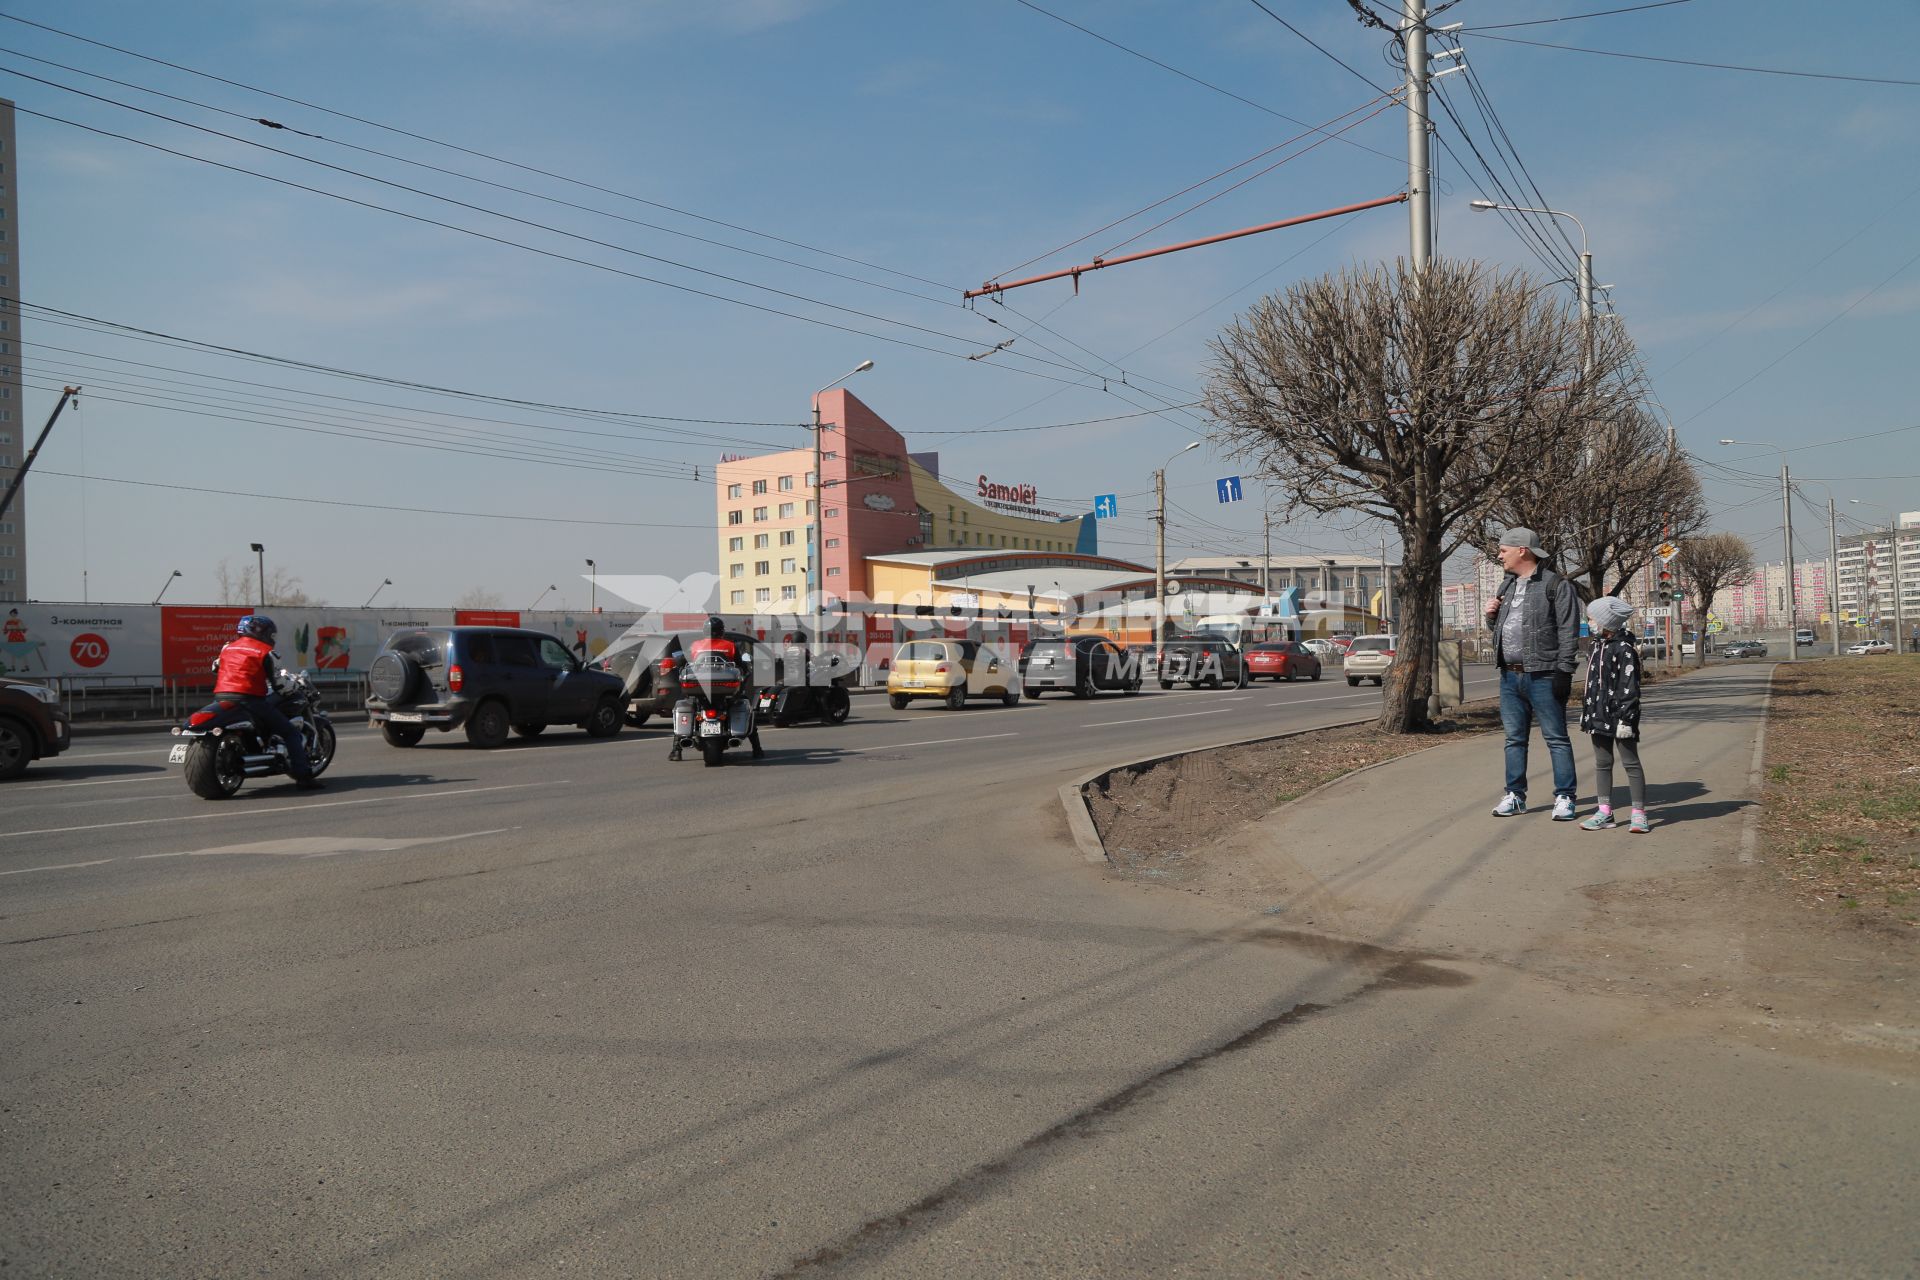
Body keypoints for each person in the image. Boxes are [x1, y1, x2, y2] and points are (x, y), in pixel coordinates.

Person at [1484, 526, 1581, 820]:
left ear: (1521, 550)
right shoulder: (1507, 586)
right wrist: (1491, 618)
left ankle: (1565, 796)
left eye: (1503, 550)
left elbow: (1568, 631)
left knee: (1556, 738)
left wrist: (1564, 672)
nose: (1500, 555)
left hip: (1544, 675)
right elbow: (1502, 631)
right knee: (1514, 738)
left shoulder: (1556, 585)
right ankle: (1515, 796)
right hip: (1509, 676)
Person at [212, 614, 321, 790]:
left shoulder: (228, 648)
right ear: (261, 632)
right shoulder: (265, 652)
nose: (271, 637)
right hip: (249, 699)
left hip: (222, 697)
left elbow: (215, 668)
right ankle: (304, 777)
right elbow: (279, 684)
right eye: (269, 633)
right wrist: (293, 686)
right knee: (291, 733)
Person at [1578, 596, 1649, 833]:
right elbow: (1591, 683)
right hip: (1597, 713)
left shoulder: (1624, 649)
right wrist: (1586, 712)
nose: (1589, 622)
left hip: (1621, 717)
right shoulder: (1595, 646)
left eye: (1592, 618)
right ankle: (1604, 812)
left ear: (1606, 621)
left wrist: (1626, 719)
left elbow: (1629, 686)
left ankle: (1639, 813)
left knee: (1630, 762)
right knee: (1602, 763)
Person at [668, 616, 763, 761]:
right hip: (725, 690)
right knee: (745, 706)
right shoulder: (730, 645)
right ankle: (757, 749)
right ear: (721, 631)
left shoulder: (695, 645)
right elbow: (742, 666)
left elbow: (681, 661)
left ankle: (676, 750)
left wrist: (677, 663)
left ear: (705, 631)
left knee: (687, 705)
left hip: (699, 690)